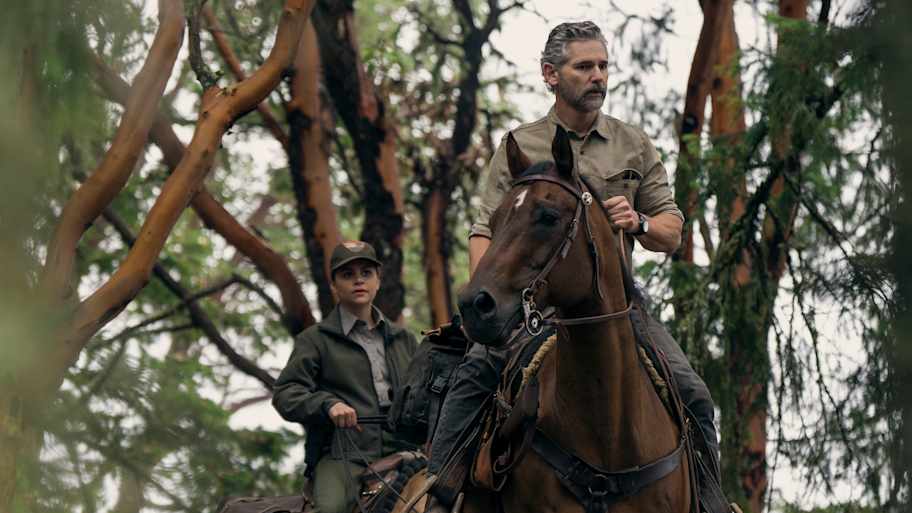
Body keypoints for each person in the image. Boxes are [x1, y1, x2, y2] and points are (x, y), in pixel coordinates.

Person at [424, 21, 720, 510]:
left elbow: (672, 231)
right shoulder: (520, 146)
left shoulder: (633, 144)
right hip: (533, 310)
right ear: (550, 74)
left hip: (619, 311)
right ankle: (438, 493)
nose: (598, 76)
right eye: (584, 66)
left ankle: (711, 501)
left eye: (603, 66)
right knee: (472, 381)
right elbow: (484, 231)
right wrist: (493, 302)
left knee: (694, 394)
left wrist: (641, 222)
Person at [273, 241, 418, 513]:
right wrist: (328, 404)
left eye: (366, 273)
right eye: (347, 275)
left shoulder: (404, 339)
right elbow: (285, 394)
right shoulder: (315, 340)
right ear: (334, 286)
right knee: (330, 509)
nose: (358, 280)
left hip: (407, 452)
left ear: (378, 280)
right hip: (345, 455)